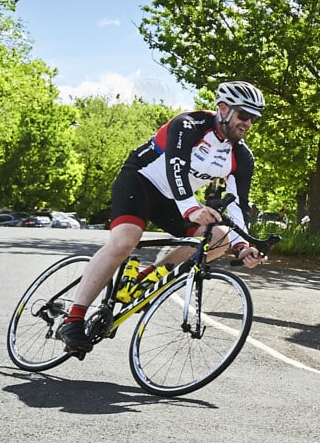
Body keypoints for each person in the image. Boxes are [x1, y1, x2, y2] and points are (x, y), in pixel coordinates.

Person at [54, 81, 268, 357]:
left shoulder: (241, 155)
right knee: (124, 242)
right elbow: (175, 169)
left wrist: (243, 246)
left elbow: (238, 204)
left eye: (254, 119)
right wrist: (191, 208)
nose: (248, 123)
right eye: (243, 115)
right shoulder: (189, 125)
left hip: (174, 200)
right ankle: (74, 319)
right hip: (140, 182)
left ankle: (149, 278)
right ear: (223, 109)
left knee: (218, 239)